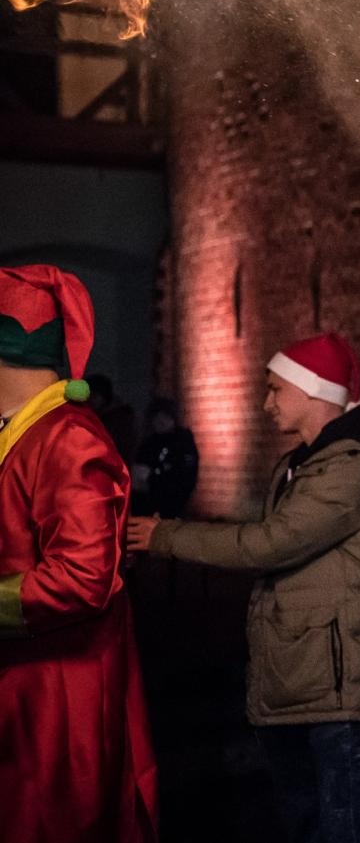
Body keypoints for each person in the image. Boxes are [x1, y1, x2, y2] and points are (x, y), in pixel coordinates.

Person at [127, 332, 360, 843]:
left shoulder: (354, 472)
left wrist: (165, 536)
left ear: (314, 393)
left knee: (344, 831)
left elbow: (269, 544)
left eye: (275, 389)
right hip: (301, 676)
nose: (266, 403)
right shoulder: (301, 465)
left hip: (338, 687)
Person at [0, 264, 159, 842]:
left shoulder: (68, 439)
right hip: (30, 691)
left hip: (59, 707)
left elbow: (82, 577)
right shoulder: (26, 433)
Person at [131, 395, 198, 519]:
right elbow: (138, 473)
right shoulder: (149, 444)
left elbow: (183, 477)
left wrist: (154, 478)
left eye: (165, 417)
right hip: (146, 506)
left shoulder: (182, 443)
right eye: (157, 418)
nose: (160, 421)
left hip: (171, 506)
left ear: (173, 419)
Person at [86, 371, 138, 464]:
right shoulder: (87, 416)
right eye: (89, 395)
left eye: (95, 396)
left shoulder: (119, 419)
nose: (91, 399)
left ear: (104, 397)